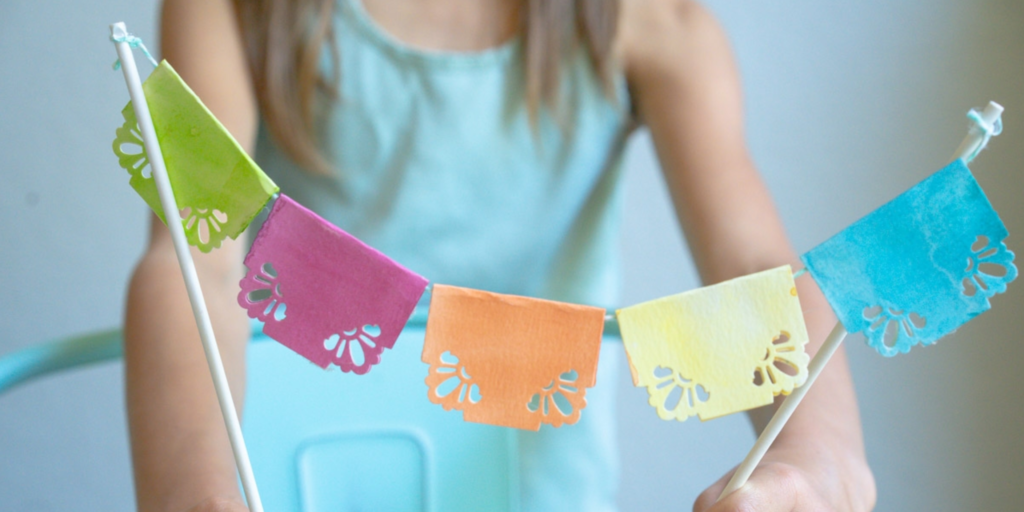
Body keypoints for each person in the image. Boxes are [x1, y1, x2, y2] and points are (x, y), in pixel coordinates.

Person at [126, 0, 877, 510]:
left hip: (541, 487)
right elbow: (195, 257)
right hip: (296, 481)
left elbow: (754, 270)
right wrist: (192, 491)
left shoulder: (651, 22)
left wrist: (817, 460)